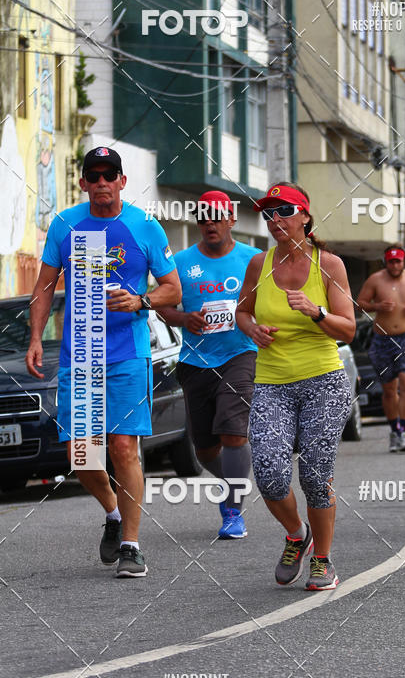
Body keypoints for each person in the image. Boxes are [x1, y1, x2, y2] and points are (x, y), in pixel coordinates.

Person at [25, 146, 182, 576]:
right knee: (82, 454)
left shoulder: (144, 226)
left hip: (128, 353)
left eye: (108, 175)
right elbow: (44, 287)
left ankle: (131, 545)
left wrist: (141, 300)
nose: (101, 183)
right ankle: (113, 512)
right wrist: (36, 338)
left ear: (122, 181)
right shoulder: (65, 224)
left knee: (123, 447)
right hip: (80, 354)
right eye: (92, 176)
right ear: (83, 183)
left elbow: (173, 288)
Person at [236, 183, 355, 590]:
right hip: (272, 383)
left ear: (305, 216)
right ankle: (296, 534)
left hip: (324, 381)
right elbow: (242, 311)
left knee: (315, 476)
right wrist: (251, 328)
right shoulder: (259, 264)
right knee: (269, 473)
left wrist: (315, 310)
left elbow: (349, 329)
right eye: (268, 213)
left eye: (284, 211)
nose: (275, 220)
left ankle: (323, 560)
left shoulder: (330, 265)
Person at [157, 191, 260, 539]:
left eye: (216, 216)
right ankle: (234, 480)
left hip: (240, 354)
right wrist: (184, 318)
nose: (209, 223)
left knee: (233, 433)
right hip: (195, 361)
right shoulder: (181, 262)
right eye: (202, 218)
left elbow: (270, 300)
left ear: (231, 219)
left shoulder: (253, 259)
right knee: (204, 450)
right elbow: (163, 306)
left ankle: (233, 510)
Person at [356, 246, 405, 452]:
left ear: (404, 261)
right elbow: (359, 304)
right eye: (391, 261)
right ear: (385, 261)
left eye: (398, 261)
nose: (394, 265)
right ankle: (395, 431)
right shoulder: (375, 279)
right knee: (389, 389)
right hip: (382, 340)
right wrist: (377, 307)